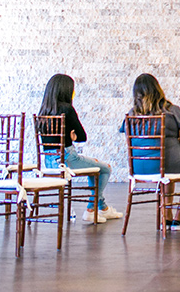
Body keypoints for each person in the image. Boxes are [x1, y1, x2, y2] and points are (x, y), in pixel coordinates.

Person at [37, 73, 123, 223]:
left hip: (49, 162)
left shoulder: (43, 112)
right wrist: (72, 137)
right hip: (68, 160)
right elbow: (82, 137)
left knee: (93, 165)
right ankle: (91, 209)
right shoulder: (68, 110)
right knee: (105, 169)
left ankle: (103, 208)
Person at [120, 73, 180, 228]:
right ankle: (179, 217)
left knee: (167, 174)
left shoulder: (131, 114)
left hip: (139, 167)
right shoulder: (171, 110)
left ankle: (167, 216)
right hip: (169, 163)